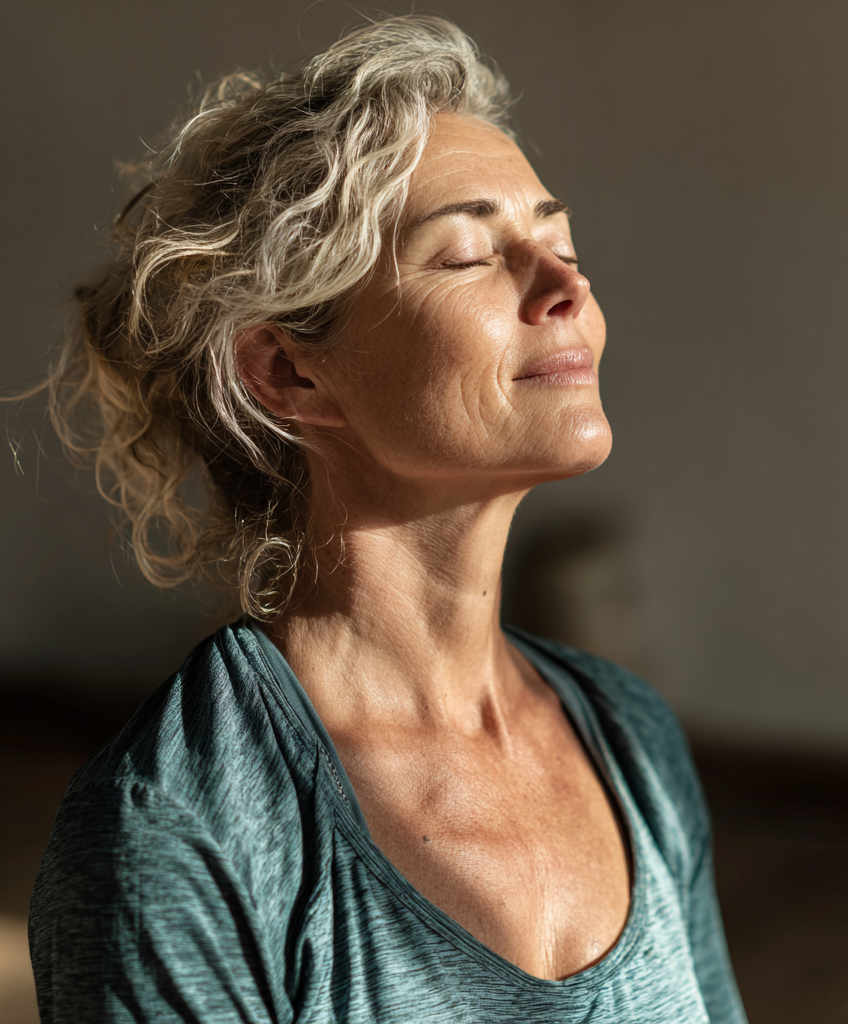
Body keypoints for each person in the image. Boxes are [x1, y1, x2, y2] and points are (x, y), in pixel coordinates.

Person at [29, 15, 747, 1023]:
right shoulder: (181, 829)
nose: (565, 287)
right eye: (465, 255)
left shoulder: (630, 742)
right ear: (289, 369)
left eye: (558, 237)